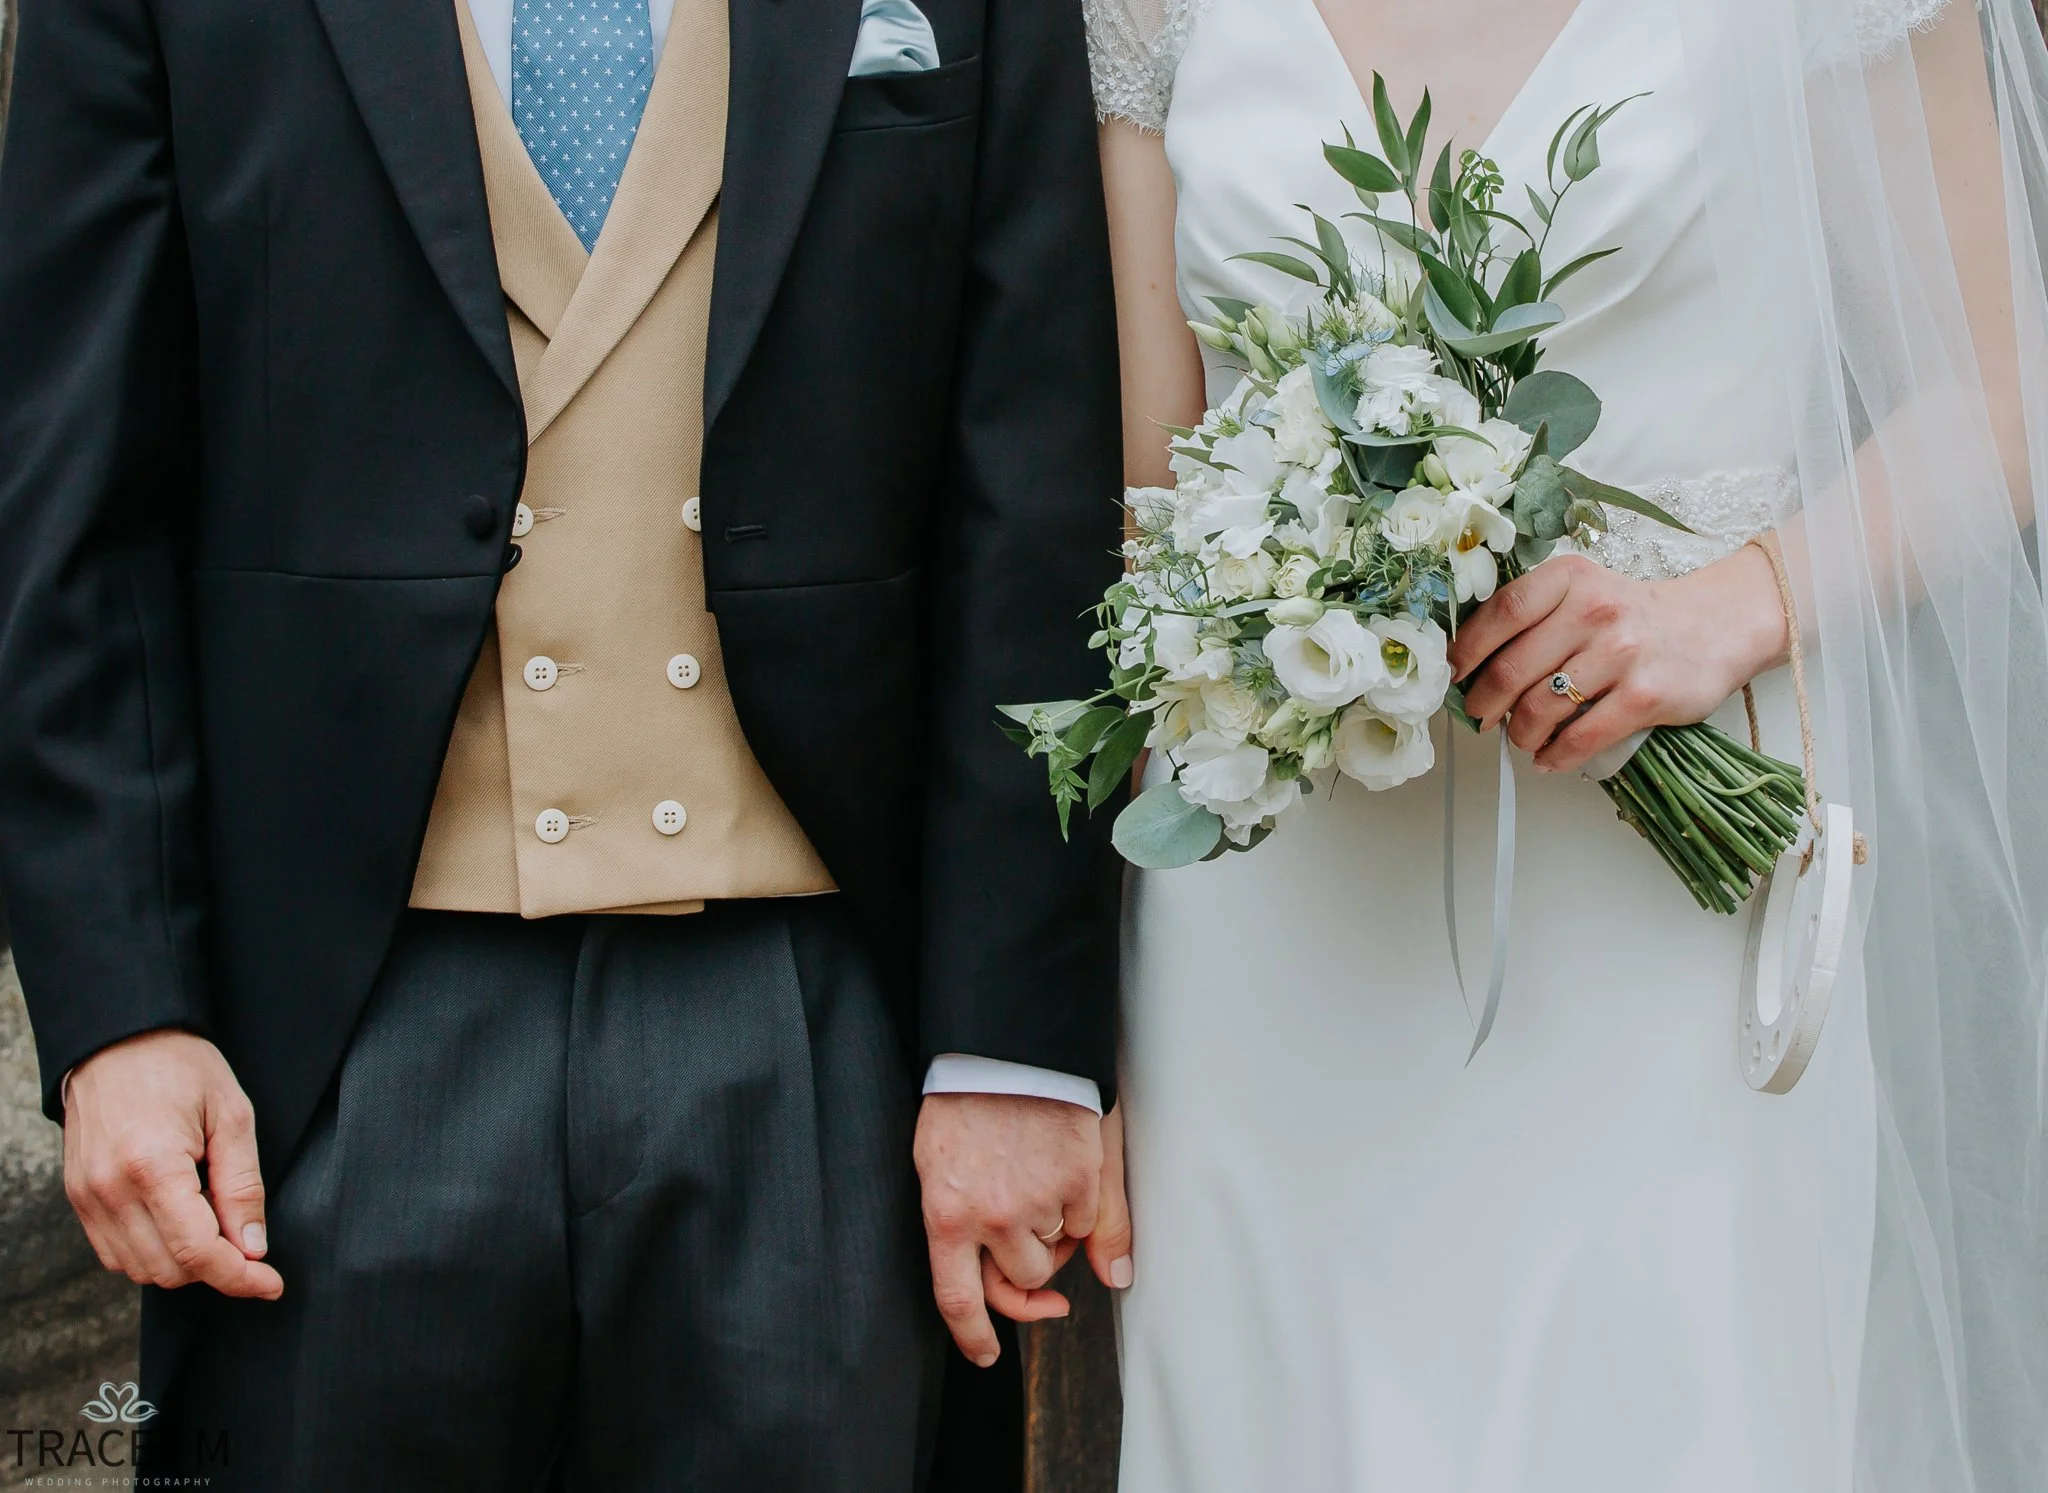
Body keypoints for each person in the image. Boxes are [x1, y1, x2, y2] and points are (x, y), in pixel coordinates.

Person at [0, 0, 1126, 1483]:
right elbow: (74, 510)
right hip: (336, 1034)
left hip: (817, 1022)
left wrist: (1016, 1049)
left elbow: (1034, 496)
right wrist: (123, 1012)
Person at [1084, 0, 2048, 1485]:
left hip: (1667, 916)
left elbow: (2003, 397)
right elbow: (1155, 488)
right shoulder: (1151, 12)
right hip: (1278, 931)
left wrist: (1730, 608)